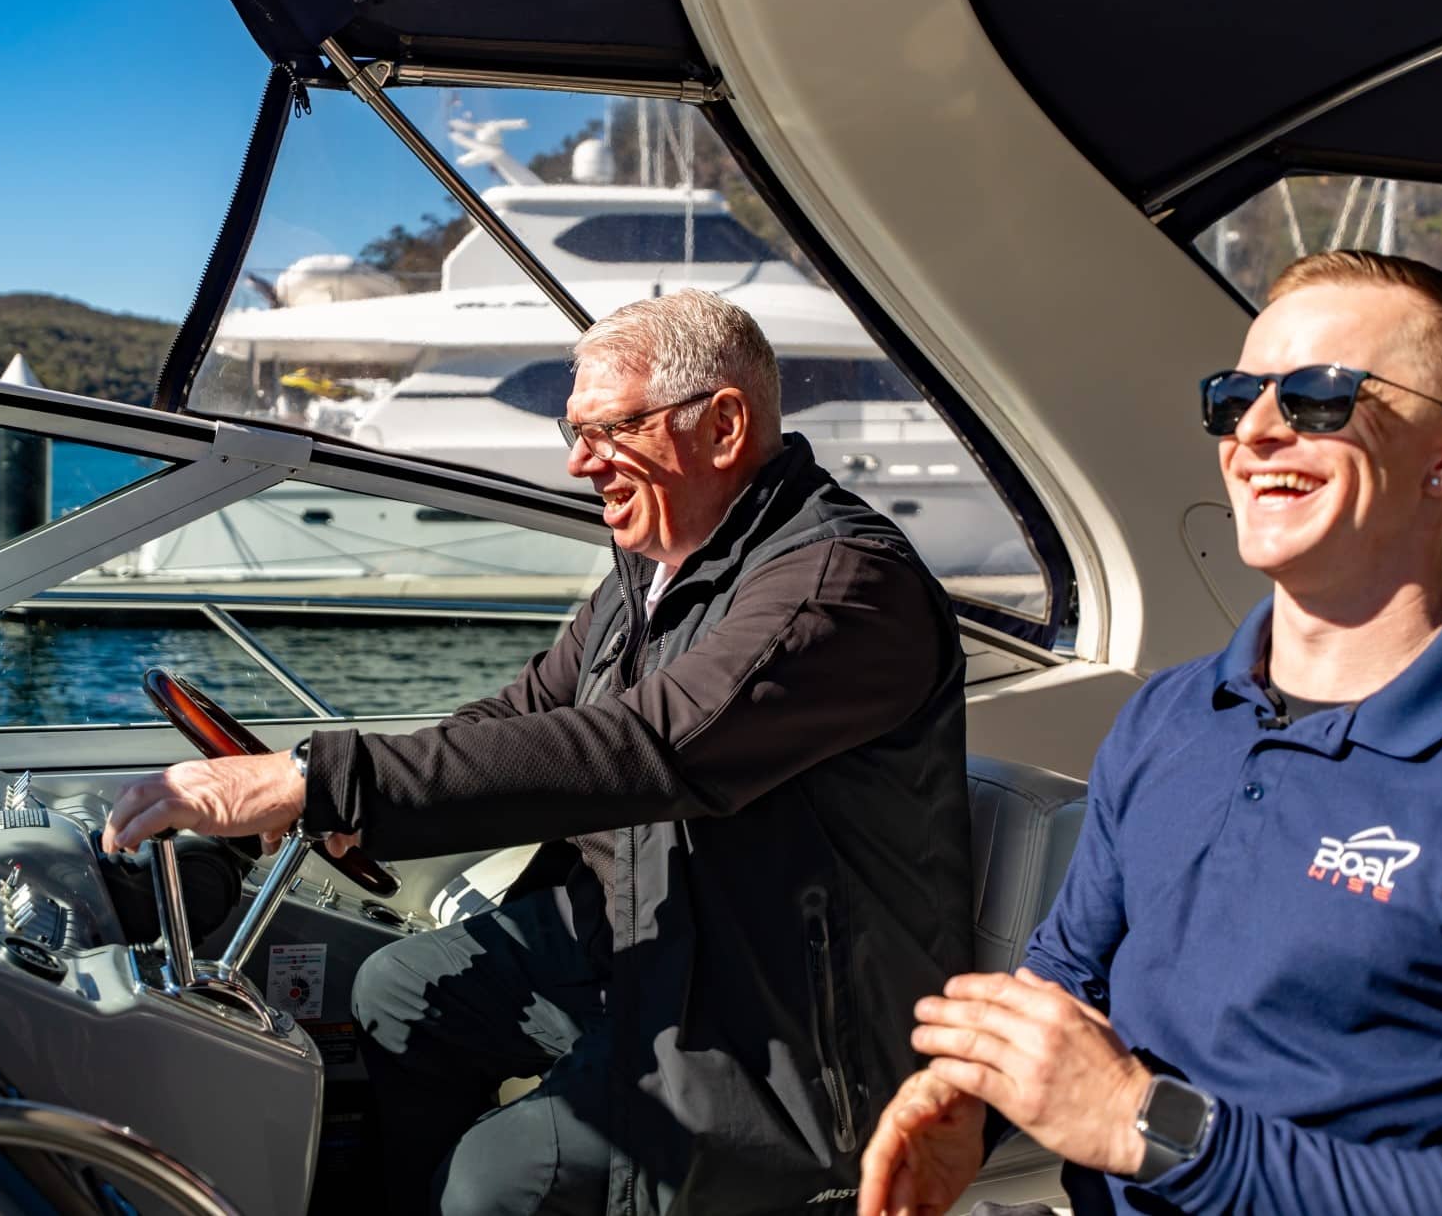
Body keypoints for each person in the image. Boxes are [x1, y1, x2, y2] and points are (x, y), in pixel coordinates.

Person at [104, 288, 972, 1215]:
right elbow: (530, 708)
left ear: (723, 423)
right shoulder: (654, 567)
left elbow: (645, 748)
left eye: (610, 429)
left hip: (779, 1020)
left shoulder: (839, 588)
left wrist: (315, 779)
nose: (577, 461)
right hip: (642, 937)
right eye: (574, 429)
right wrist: (347, 807)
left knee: (500, 1180)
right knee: (400, 991)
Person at [860, 250, 1442, 1216]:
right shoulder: (1169, 718)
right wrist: (978, 1101)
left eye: (1320, 397)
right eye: (1235, 396)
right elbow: (1069, 971)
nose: (1254, 431)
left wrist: (1154, 1128)